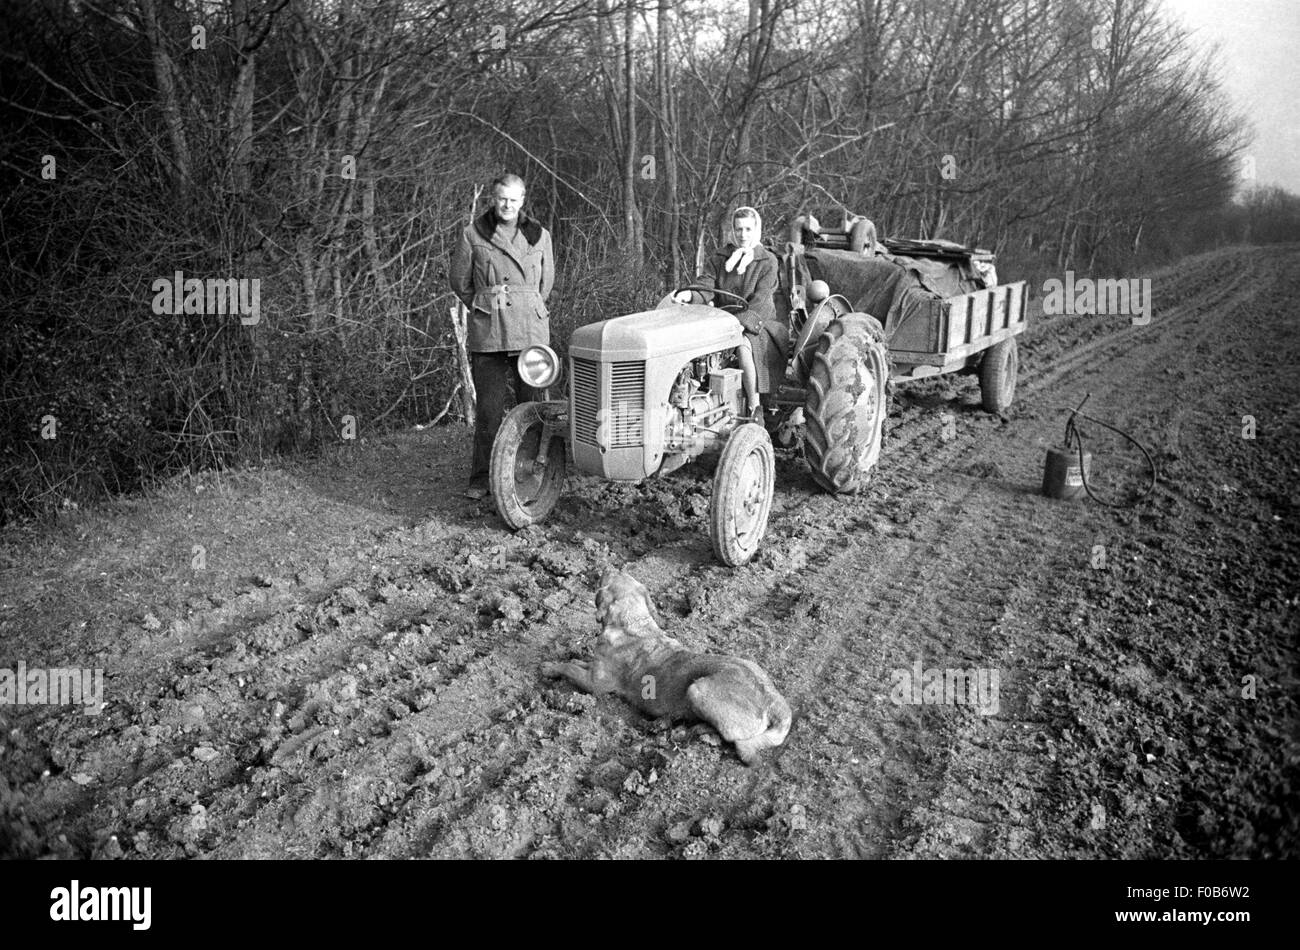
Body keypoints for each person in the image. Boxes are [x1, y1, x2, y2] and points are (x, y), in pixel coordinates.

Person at [450, 173, 555, 500]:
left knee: (533, 406)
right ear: (492, 200)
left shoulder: (540, 235)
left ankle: (531, 473)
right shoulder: (473, 235)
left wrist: (526, 305)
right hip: (490, 332)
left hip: (530, 332)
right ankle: (482, 478)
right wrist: (484, 307)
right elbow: (459, 282)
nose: (507, 205)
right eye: (501, 199)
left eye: (514, 199)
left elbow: (546, 284)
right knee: (489, 411)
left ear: (523, 199)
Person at [673, 206, 777, 421]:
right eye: (738, 229)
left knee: (743, 346)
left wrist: (742, 323)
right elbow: (706, 284)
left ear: (757, 230)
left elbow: (762, 299)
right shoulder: (720, 258)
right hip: (722, 318)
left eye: (748, 229)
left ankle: (754, 409)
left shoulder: (767, 261)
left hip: (758, 322)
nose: (743, 235)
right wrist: (690, 296)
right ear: (732, 230)